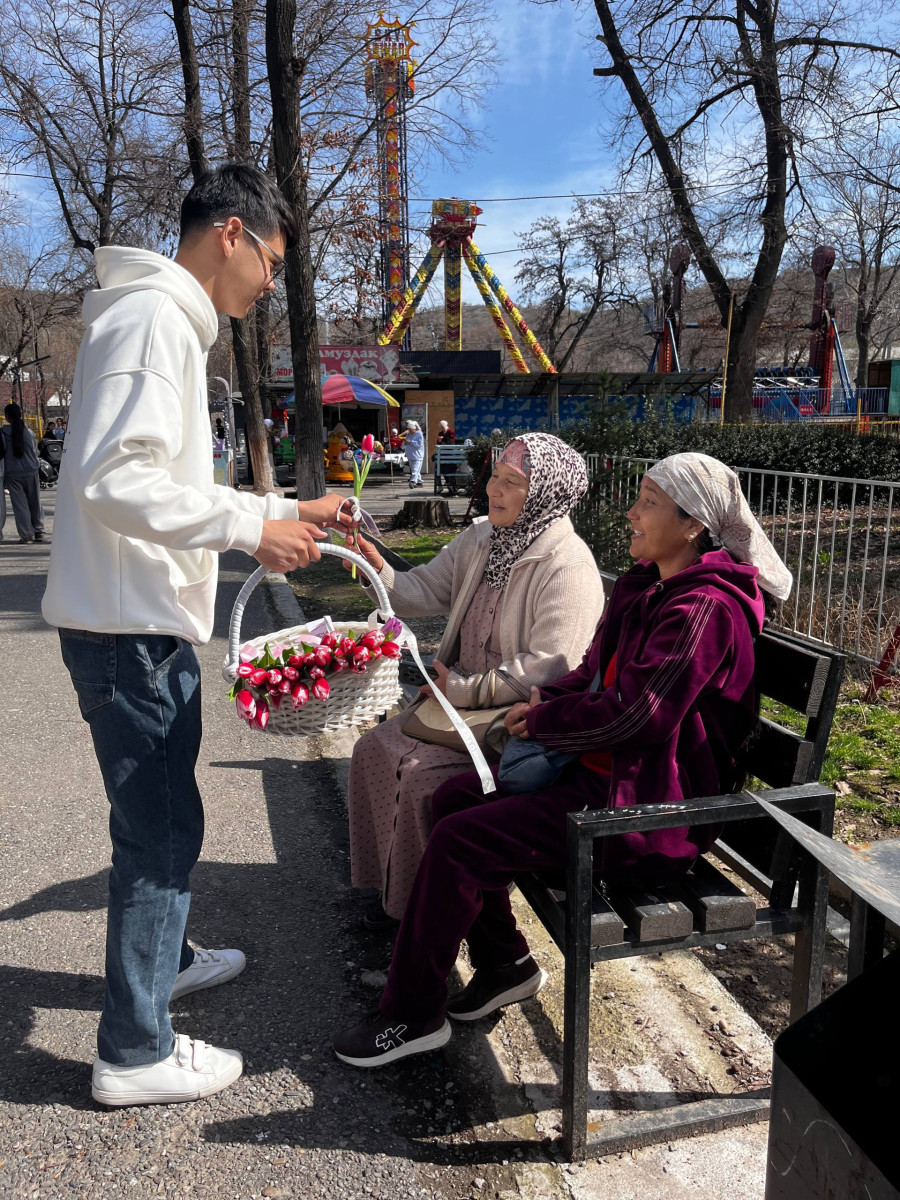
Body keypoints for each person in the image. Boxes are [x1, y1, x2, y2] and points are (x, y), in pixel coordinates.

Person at [42, 163, 353, 1107]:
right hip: (128, 630)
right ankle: (134, 1049)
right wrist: (247, 529)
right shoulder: (152, 322)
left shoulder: (155, 317)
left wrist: (274, 506)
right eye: (269, 262)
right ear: (230, 233)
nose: (268, 285)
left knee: (157, 816)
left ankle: (162, 964)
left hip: (129, 622)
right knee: (163, 829)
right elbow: (111, 478)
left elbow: (155, 476)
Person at [333, 451, 794, 1066]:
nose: (630, 513)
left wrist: (545, 717)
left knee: (462, 838)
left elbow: (640, 715)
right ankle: (506, 962)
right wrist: (548, 703)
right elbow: (588, 675)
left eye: (648, 503)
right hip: (601, 782)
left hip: (648, 812)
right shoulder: (645, 585)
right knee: (451, 800)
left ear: (692, 525)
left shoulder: (702, 607)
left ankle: (413, 1014)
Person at [343, 433, 605, 931]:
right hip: (456, 704)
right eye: (493, 476)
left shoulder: (567, 565)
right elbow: (423, 588)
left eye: (511, 483)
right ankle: (395, 895)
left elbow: (553, 666)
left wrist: (462, 690)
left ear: (546, 493)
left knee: (421, 777)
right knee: (374, 748)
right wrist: (375, 567)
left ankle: (430, 919)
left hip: (512, 723)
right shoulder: (483, 537)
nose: (493, 489)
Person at [1, 402, 45, 543]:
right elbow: (35, 452)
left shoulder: (3, 433)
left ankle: (26, 535)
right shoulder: (29, 433)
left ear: (7, 417)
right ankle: (39, 530)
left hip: (13, 474)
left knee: (20, 506)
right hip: (31, 471)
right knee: (35, 502)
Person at [404, 419, 424, 488]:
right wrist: (405, 442)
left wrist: (411, 442)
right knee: (414, 469)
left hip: (417, 455)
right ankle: (419, 482)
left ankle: (412, 481)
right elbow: (406, 441)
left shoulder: (419, 434)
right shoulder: (409, 434)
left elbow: (419, 444)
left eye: (410, 429)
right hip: (410, 455)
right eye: (408, 429)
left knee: (415, 469)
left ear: (414, 428)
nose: (409, 431)